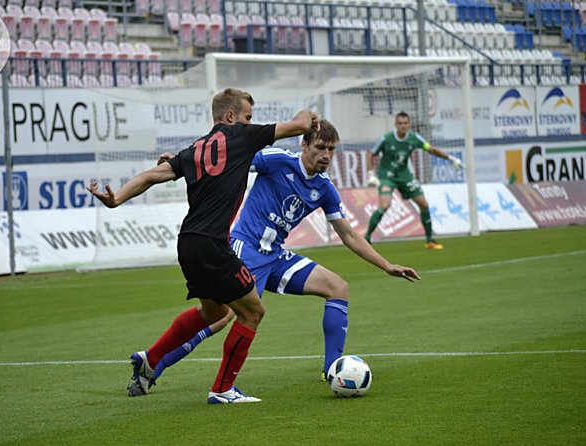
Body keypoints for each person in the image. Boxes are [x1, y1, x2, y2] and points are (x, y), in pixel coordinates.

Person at [140, 119, 420, 385]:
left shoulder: (324, 188)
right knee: (223, 315)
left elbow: (347, 234)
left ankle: (332, 371)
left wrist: (386, 265)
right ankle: (155, 366)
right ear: (304, 145)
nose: (325, 155)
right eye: (320, 148)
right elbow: (224, 157)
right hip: (244, 248)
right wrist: (181, 161)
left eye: (331, 150)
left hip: (274, 256)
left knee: (338, 288)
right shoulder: (276, 160)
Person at [88, 88, 319, 404]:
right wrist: (309, 112)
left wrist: (117, 200)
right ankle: (223, 390)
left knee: (213, 312)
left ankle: (151, 359)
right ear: (230, 116)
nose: (251, 123)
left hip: (188, 244)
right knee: (253, 311)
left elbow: (153, 174)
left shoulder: (195, 149)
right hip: (212, 244)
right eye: (247, 117)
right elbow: (299, 125)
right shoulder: (242, 136)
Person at [364, 111, 463, 250]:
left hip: (405, 176)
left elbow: (430, 149)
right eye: (400, 123)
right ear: (395, 125)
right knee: (385, 205)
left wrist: (451, 159)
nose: (403, 126)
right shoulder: (386, 139)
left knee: (424, 204)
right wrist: (370, 174)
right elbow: (370, 153)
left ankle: (430, 241)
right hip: (387, 176)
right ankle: (366, 238)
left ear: (409, 124)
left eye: (405, 123)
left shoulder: (414, 138)